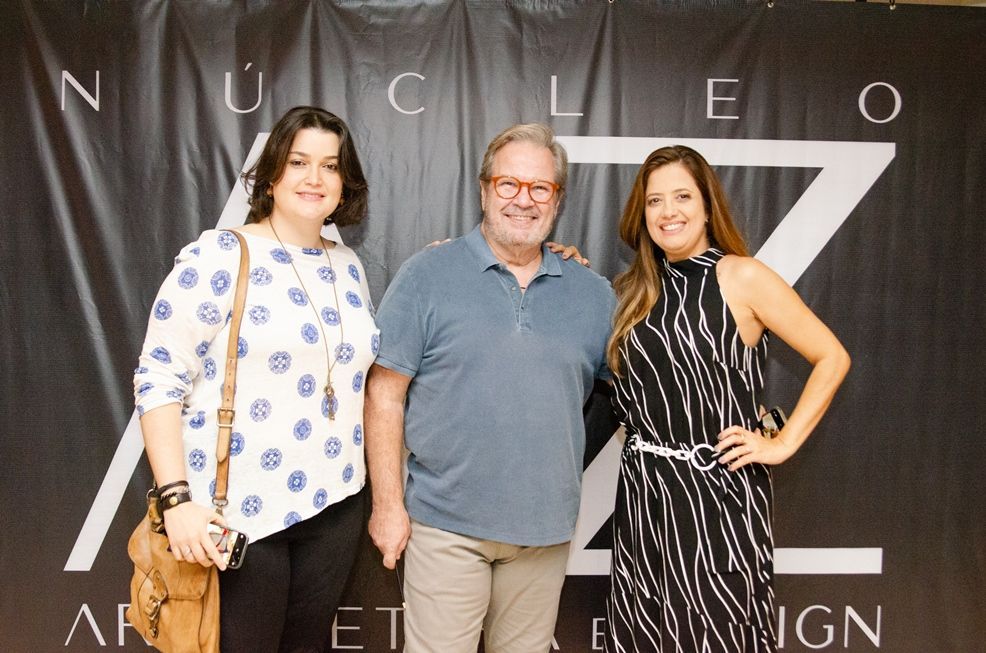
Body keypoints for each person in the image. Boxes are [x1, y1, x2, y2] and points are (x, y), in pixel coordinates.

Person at [133, 106, 377, 651]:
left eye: (330, 166)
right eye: (298, 162)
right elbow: (157, 378)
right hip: (238, 515)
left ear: (345, 183)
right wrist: (176, 501)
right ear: (271, 175)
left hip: (335, 504)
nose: (314, 178)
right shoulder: (218, 254)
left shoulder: (348, 266)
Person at [365, 123, 616, 653]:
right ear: (483, 189)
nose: (522, 200)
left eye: (539, 188)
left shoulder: (594, 295)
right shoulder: (426, 275)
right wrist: (388, 505)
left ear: (557, 199)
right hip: (445, 525)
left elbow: (639, 391)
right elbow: (384, 394)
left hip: (544, 532)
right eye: (508, 184)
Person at [604, 145, 851, 652]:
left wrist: (780, 444)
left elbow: (831, 357)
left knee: (718, 635)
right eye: (654, 201)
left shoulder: (741, 276)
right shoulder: (632, 290)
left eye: (681, 196)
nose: (668, 211)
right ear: (641, 212)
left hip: (720, 497)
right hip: (645, 497)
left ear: (706, 204)